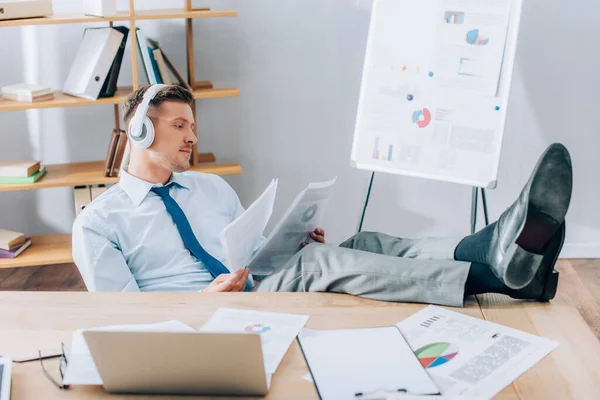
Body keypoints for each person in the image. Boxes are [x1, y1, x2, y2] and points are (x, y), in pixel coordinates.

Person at [72, 85, 573, 307]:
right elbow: (122, 317)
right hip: (206, 314)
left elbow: (244, 249)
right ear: (139, 131)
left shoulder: (209, 187)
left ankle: (493, 254)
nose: (192, 138)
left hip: (253, 284)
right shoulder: (98, 223)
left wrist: (287, 241)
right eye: (180, 125)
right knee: (316, 268)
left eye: (193, 126)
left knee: (367, 242)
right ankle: (494, 272)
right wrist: (203, 299)